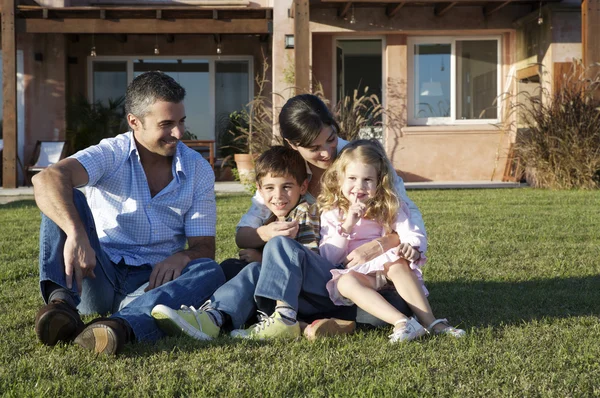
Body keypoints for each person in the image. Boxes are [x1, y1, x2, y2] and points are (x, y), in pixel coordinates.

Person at [32, 71, 225, 355]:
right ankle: (61, 307)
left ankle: (118, 327)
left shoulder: (197, 169)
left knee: (210, 270)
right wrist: (76, 233)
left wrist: (183, 256)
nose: (179, 133)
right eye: (166, 124)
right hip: (94, 276)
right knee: (62, 195)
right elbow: (46, 179)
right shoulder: (112, 152)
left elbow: (204, 248)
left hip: (152, 286)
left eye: (181, 121)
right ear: (135, 122)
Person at [234, 94, 423, 330]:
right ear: (293, 144)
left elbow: (403, 210)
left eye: (331, 139)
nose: (327, 152)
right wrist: (266, 233)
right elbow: (242, 234)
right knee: (243, 269)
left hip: (355, 273)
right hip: (310, 268)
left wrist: (381, 243)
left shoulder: (360, 157)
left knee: (393, 301)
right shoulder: (285, 171)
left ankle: (304, 321)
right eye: (314, 148)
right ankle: (330, 322)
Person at [151, 145, 351, 339]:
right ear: (260, 190)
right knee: (250, 270)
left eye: (287, 187)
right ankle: (213, 318)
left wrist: (265, 258)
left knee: (276, 245)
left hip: (322, 290)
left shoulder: (305, 212)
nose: (278, 196)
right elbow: (242, 237)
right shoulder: (275, 217)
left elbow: (307, 257)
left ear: (303, 186)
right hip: (297, 293)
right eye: (270, 188)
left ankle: (286, 319)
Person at [318, 139, 465, 342]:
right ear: (340, 179)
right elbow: (330, 257)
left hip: (389, 275)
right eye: (352, 178)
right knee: (344, 282)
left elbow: (409, 230)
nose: (359, 187)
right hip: (362, 277)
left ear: (379, 181)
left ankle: (432, 322)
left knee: (396, 262)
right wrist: (348, 224)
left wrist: (412, 247)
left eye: (367, 180)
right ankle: (403, 323)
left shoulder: (389, 205)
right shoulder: (333, 212)